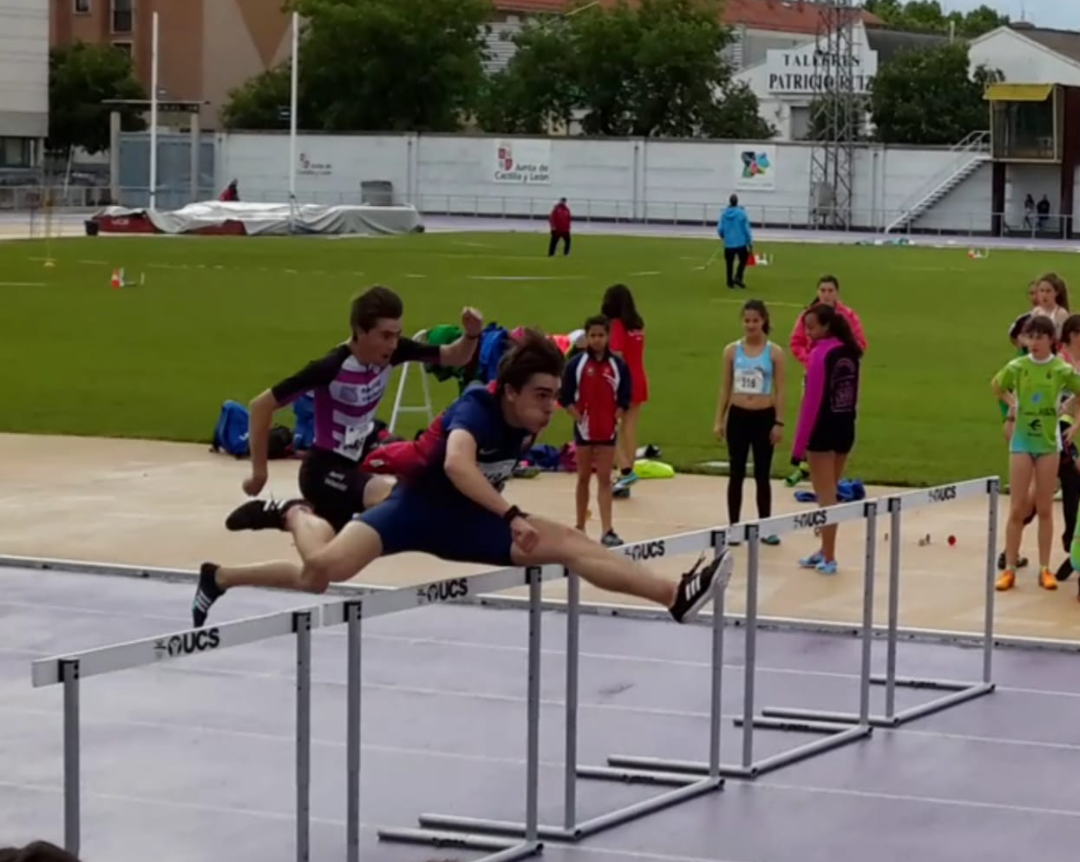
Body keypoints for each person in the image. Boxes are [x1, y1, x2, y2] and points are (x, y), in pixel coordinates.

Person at [192, 330, 730, 627]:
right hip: (413, 511)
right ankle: (292, 516)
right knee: (320, 571)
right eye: (542, 396)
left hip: (464, 522)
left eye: (555, 397)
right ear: (511, 391)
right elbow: (456, 464)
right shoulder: (478, 405)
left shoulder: (525, 422)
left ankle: (674, 594)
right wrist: (513, 515)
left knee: (570, 542)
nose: (551, 408)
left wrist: (509, 517)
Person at [223, 286, 484, 536]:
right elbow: (261, 406)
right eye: (385, 336)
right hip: (322, 472)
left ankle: (221, 575)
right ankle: (288, 510)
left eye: (397, 334)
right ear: (360, 330)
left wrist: (471, 335)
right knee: (392, 498)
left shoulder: (393, 352)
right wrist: (260, 472)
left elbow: (455, 356)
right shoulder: (331, 367)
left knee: (317, 576)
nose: (393, 344)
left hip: (355, 465)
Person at [992, 315, 1080, 592]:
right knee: (1017, 507)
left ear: (1051, 341)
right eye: (1031, 337)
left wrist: (1069, 413)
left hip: (1048, 444)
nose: (1034, 343)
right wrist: (1012, 404)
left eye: (1040, 337)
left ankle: (1044, 568)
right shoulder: (1017, 367)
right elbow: (996, 385)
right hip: (1022, 442)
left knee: (1044, 508)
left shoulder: (1060, 369)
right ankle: (1009, 568)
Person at [790, 303, 863, 575]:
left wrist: (798, 449)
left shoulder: (820, 355)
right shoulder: (851, 352)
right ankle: (824, 550)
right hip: (845, 427)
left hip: (822, 431)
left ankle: (829, 555)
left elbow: (811, 403)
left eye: (811, 327)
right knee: (830, 492)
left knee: (826, 498)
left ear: (826, 326)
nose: (807, 333)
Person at [714, 300, 786, 545]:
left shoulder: (774, 353)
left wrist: (779, 422)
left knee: (762, 473)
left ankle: (765, 525)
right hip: (738, 416)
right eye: (747, 321)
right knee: (736, 472)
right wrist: (719, 420)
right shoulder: (731, 351)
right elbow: (725, 388)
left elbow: (781, 389)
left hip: (764, 416)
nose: (751, 325)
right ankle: (733, 526)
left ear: (764, 321)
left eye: (755, 320)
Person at [787, 275, 867, 487]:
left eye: (830, 290)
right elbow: (795, 343)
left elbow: (860, 343)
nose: (826, 294)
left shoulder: (847, 315)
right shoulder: (808, 316)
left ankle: (818, 465)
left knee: (831, 418)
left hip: (842, 381)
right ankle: (808, 462)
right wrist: (811, 362)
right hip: (816, 374)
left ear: (837, 293)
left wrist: (834, 361)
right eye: (822, 290)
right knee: (814, 415)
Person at [560, 314, 631, 547]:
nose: (597, 340)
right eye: (593, 336)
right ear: (586, 337)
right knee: (582, 478)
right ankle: (580, 526)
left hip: (607, 432)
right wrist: (578, 417)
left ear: (608, 336)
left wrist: (616, 417)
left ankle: (607, 529)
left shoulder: (618, 365)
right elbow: (565, 396)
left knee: (604, 479)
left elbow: (624, 397)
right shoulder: (576, 365)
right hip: (584, 430)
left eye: (601, 335)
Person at [601, 284, 648, 498]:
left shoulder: (617, 325)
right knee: (629, 428)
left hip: (623, 381)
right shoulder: (636, 325)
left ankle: (625, 470)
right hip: (639, 377)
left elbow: (617, 354)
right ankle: (625, 476)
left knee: (608, 427)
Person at [717, 194, 753, 289]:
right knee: (744, 259)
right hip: (740, 243)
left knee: (729, 263)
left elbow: (720, 229)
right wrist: (749, 241)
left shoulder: (724, 214)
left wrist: (723, 236)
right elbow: (746, 229)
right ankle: (738, 276)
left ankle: (729, 282)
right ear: (737, 202)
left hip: (729, 243)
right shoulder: (741, 213)